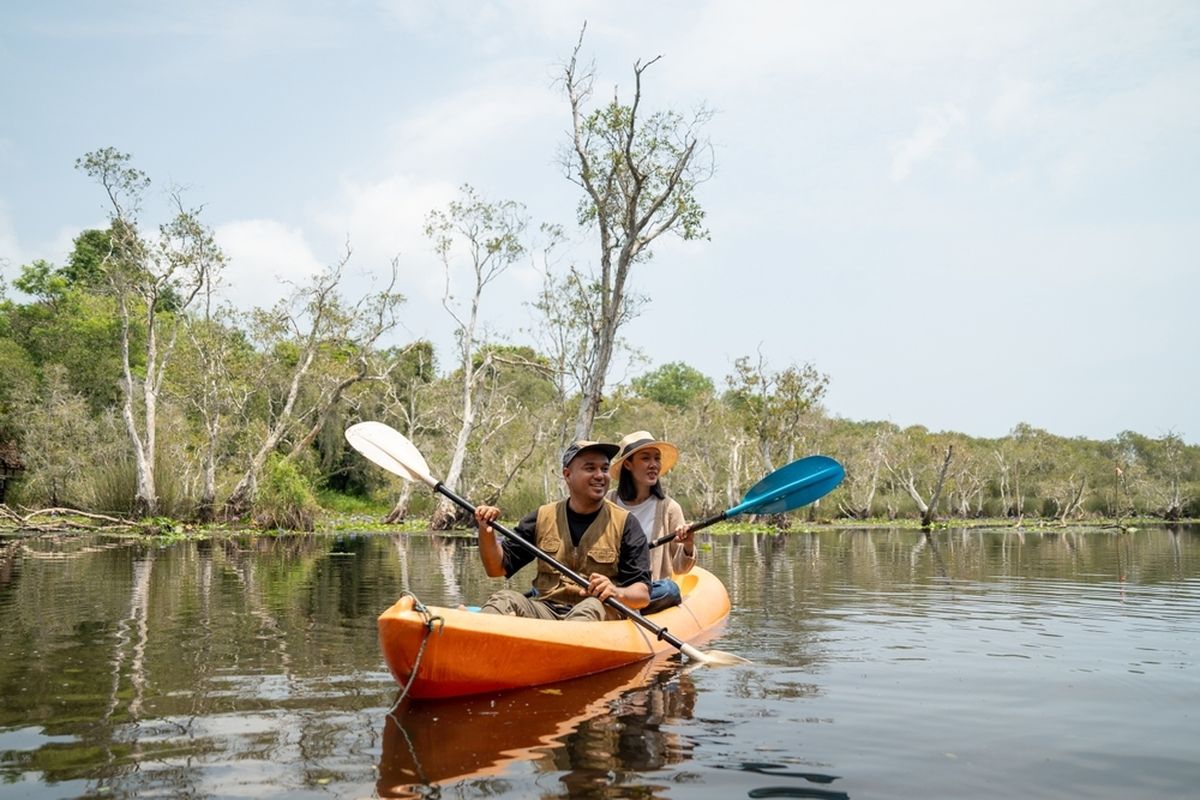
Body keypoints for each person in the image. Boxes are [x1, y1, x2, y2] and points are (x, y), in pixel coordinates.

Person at [473, 440, 652, 621]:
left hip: (599, 614)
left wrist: (616, 592)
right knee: (504, 599)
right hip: (547, 611)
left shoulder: (626, 523)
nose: (600, 475)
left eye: (604, 469)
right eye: (590, 468)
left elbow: (643, 595)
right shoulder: (542, 517)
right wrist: (485, 529)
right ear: (567, 475)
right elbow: (496, 568)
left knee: (590, 606)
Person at [608, 431, 695, 614]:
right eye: (645, 458)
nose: (653, 465)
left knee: (670, 590)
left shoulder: (669, 508)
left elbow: (680, 568)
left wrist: (688, 545)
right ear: (628, 464)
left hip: (649, 590)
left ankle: (622, 605)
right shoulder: (607, 503)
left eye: (657, 459)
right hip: (611, 586)